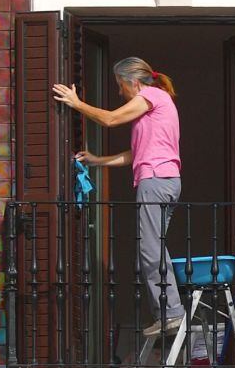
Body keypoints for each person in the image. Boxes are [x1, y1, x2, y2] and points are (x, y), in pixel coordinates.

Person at [52, 57, 184, 337]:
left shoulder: (150, 95)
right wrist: (98, 161)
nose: (120, 92)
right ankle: (168, 312)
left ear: (133, 83)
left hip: (155, 180)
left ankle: (171, 313)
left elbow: (110, 119)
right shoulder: (158, 105)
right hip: (166, 179)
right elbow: (135, 154)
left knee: (150, 250)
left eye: (120, 85)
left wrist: (76, 103)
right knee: (154, 248)